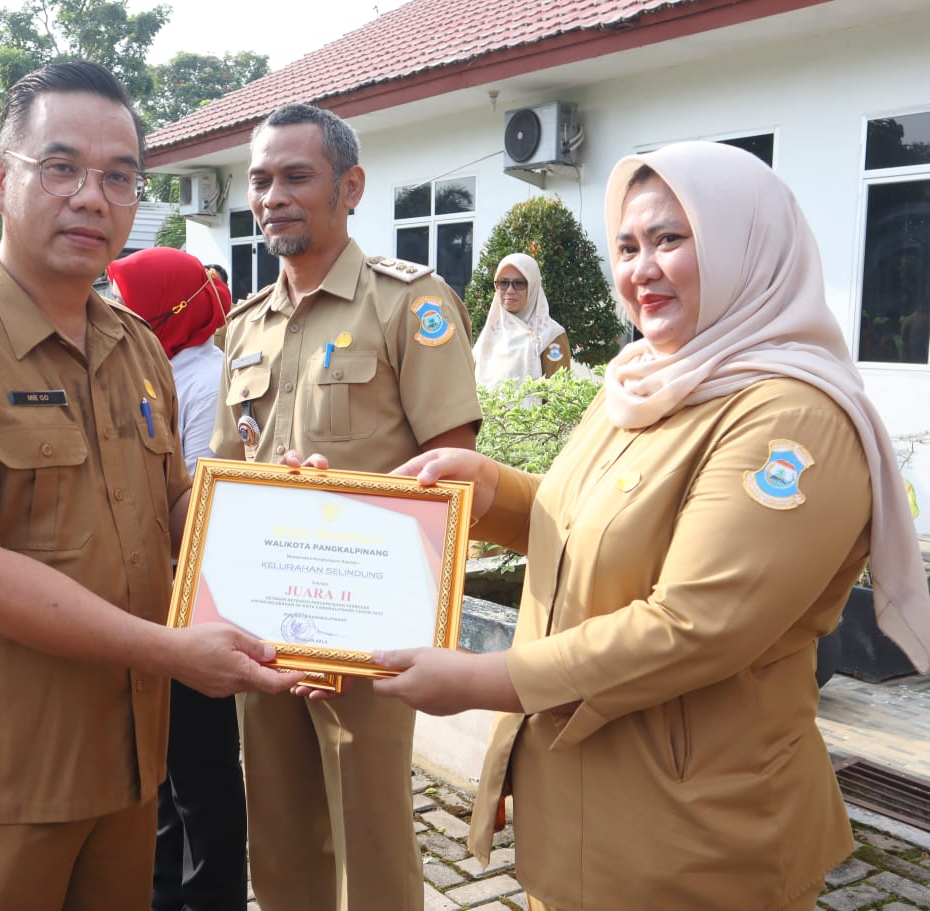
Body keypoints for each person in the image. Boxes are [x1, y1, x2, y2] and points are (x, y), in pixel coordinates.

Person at [367, 141, 930, 910]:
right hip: (580, 805)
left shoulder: (789, 416)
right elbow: (596, 523)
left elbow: (696, 621)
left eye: (671, 238)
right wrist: (487, 486)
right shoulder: (642, 380)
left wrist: (481, 679)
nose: (640, 268)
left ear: (747, 245)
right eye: (627, 245)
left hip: (695, 840)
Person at [0, 61, 301, 911]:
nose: (92, 198)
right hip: (0, 772)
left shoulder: (135, 345)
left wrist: (264, 507)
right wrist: (172, 652)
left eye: (119, 176)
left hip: (127, 755)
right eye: (59, 168)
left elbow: (173, 501)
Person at [210, 103, 483, 911]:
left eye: (296, 176)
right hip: (265, 625)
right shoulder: (244, 325)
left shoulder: (407, 304)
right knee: (280, 826)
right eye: (260, 179)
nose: (272, 196)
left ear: (349, 186)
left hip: (370, 628)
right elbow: (230, 469)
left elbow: (452, 468)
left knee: (367, 830)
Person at [105, 247, 245, 911]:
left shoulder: (204, 376)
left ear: (170, 307)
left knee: (201, 770)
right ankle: (163, 893)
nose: (114, 309)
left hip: (190, 596)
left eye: (127, 298)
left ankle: (209, 896)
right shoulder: (146, 364)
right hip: (144, 596)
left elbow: (198, 491)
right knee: (157, 768)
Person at [472, 253, 570, 392]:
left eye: (519, 283)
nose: (510, 290)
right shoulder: (490, 333)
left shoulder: (550, 335)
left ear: (533, 286)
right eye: (503, 283)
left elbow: (558, 395)